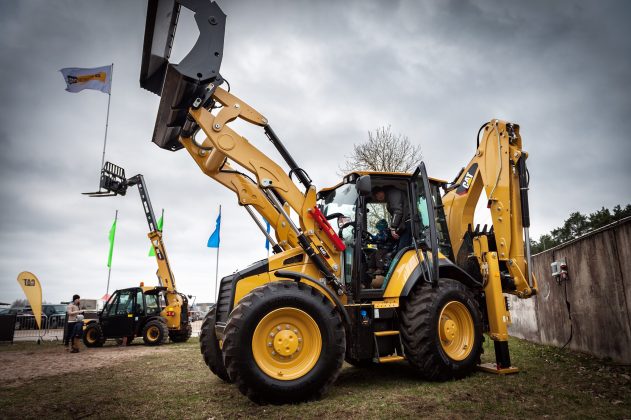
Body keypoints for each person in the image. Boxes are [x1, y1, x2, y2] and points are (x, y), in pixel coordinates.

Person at [371, 186, 412, 251]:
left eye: (379, 193)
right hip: (404, 225)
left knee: (402, 250)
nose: (378, 196)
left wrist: (393, 227)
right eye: (376, 196)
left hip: (408, 223)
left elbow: (397, 211)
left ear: (382, 191)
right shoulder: (389, 198)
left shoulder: (393, 194)